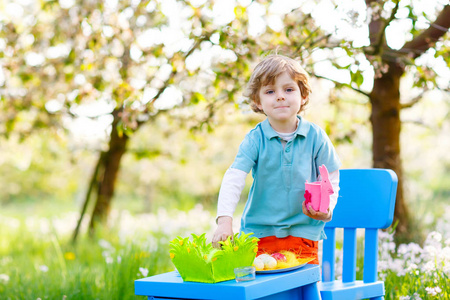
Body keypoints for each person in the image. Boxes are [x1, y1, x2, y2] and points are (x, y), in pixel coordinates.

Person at [212, 54, 341, 264]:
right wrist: (225, 220)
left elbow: (331, 178)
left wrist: (327, 209)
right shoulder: (255, 139)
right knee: (263, 290)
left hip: (304, 233)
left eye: (288, 89)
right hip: (259, 235)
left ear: (304, 96)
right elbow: (234, 177)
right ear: (258, 101)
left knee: (303, 290)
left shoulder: (316, 137)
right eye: (270, 91)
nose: (280, 96)